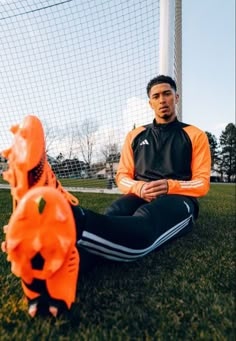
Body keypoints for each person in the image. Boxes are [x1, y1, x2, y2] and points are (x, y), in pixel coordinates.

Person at [1, 75, 211, 317]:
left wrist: (169, 186)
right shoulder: (136, 136)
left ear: (177, 97)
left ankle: (72, 219)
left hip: (179, 199)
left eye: (167, 94)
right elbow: (122, 176)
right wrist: (139, 188)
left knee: (144, 227)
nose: (162, 100)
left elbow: (201, 183)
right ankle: (50, 282)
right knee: (111, 218)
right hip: (139, 192)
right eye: (156, 96)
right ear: (149, 103)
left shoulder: (195, 135)